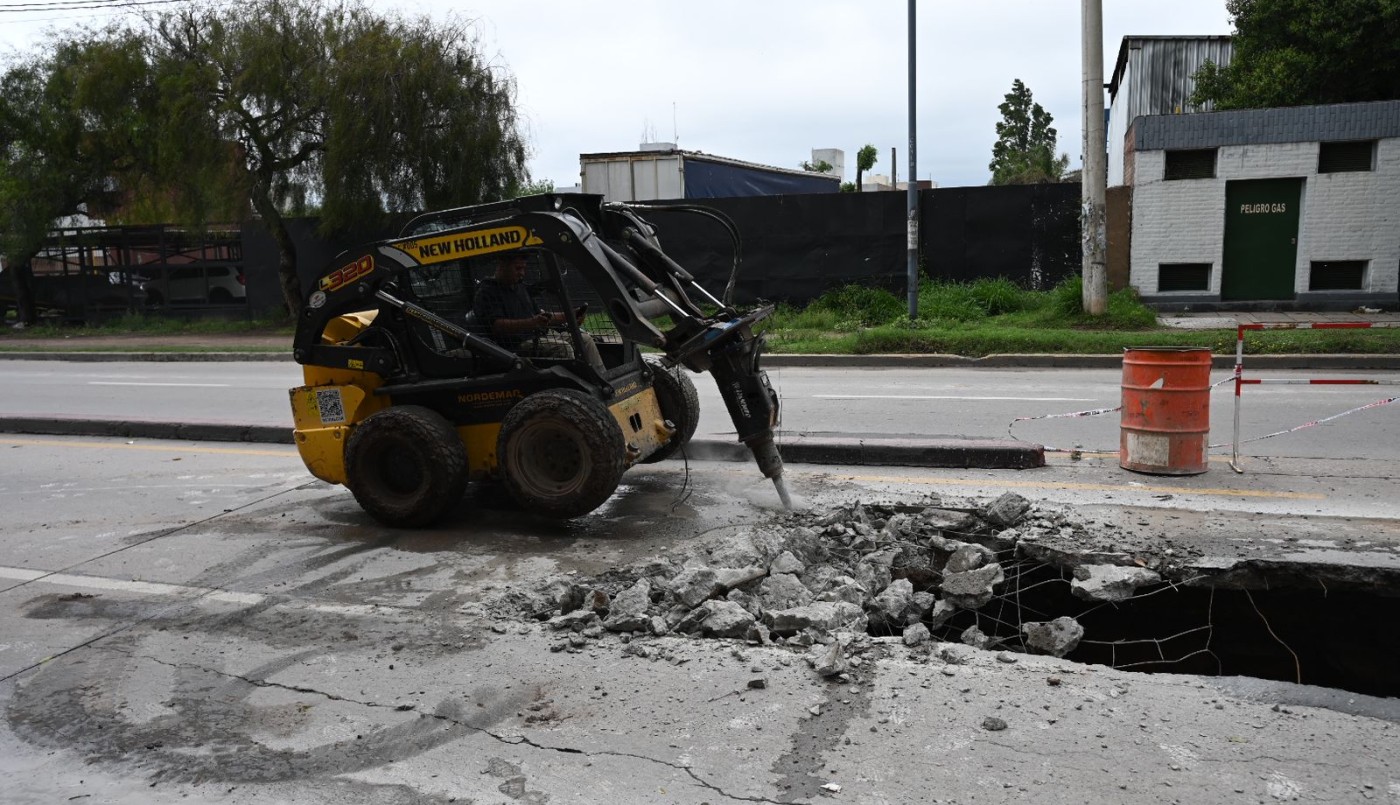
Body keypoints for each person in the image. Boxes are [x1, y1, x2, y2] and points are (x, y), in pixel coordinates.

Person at [472, 253, 599, 364]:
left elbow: (541, 317)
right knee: (563, 348)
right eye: (518, 268)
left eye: (524, 268)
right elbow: (497, 326)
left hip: (538, 337)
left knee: (585, 339)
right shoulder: (487, 291)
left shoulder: (519, 287)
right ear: (502, 265)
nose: (522, 273)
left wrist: (569, 316)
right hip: (514, 346)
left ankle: (601, 380)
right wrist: (532, 323)